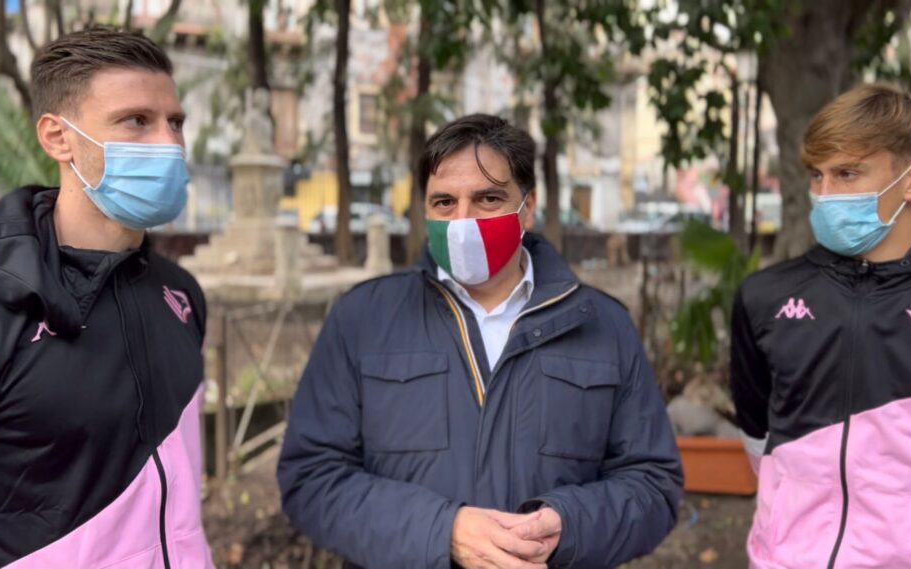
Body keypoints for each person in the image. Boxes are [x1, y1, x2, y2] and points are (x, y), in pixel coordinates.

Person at [278, 114, 682, 569]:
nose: (463, 220)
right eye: (444, 202)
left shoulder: (604, 326)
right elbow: (310, 477)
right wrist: (440, 531)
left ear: (527, 208)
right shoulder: (362, 321)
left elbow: (654, 484)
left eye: (488, 198)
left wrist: (570, 526)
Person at [0, 26, 213, 568]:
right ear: (58, 137)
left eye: (175, 122)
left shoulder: (181, 294)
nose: (169, 143)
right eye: (136, 120)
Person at [731, 83, 911, 569]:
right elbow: (758, 437)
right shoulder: (764, 297)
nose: (824, 195)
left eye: (847, 173)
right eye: (817, 175)